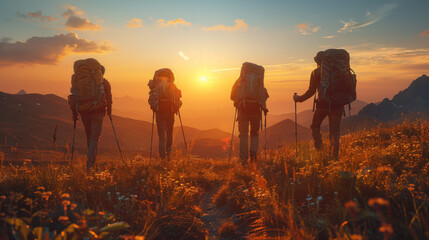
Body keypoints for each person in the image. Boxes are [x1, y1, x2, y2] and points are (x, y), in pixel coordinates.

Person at [293, 51, 344, 159]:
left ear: (318, 61)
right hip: (338, 105)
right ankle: (334, 159)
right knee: (335, 133)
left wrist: (299, 99)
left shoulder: (315, 73)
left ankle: (320, 148)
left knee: (315, 126)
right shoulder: (339, 71)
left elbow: (311, 91)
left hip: (322, 106)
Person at [68, 59, 112, 170]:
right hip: (98, 112)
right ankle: (90, 165)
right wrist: (109, 112)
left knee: (89, 137)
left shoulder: (79, 81)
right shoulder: (104, 83)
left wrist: (74, 114)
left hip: (83, 112)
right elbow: (109, 99)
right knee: (94, 139)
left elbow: (74, 96)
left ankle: (89, 163)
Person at [231, 62, 269, 165]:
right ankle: (253, 157)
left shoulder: (240, 80)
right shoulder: (259, 80)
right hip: (256, 111)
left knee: (243, 135)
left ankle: (243, 160)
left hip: (243, 110)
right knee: (254, 134)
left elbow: (231, 96)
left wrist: (237, 101)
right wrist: (263, 107)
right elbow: (265, 94)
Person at [148, 68, 182, 160]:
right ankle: (168, 155)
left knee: (161, 136)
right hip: (170, 113)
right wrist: (177, 107)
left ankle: (162, 156)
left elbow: (151, 100)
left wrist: (154, 108)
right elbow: (178, 100)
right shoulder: (172, 86)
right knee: (169, 134)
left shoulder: (155, 86)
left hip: (159, 113)